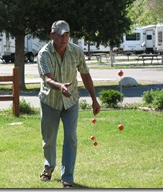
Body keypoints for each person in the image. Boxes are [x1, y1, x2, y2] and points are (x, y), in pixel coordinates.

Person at [37, 20, 100, 188]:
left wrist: (94, 98)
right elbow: (48, 78)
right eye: (61, 35)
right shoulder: (44, 53)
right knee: (49, 139)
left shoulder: (76, 52)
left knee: (71, 138)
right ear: (52, 35)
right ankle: (48, 168)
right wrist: (60, 86)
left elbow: (85, 75)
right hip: (50, 101)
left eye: (67, 35)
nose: (64, 39)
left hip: (70, 101)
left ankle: (67, 177)